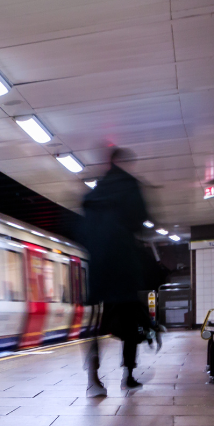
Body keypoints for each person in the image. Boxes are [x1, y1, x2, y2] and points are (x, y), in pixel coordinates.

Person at [79, 147, 150, 396]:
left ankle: (93, 379)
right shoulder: (130, 187)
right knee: (131, 325)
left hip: (99, 271)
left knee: (95, 326)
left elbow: (83, 231)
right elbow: (140, 221)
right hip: (123, 268)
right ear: (122, 162)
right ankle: (128, 376)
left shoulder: (93, 195)